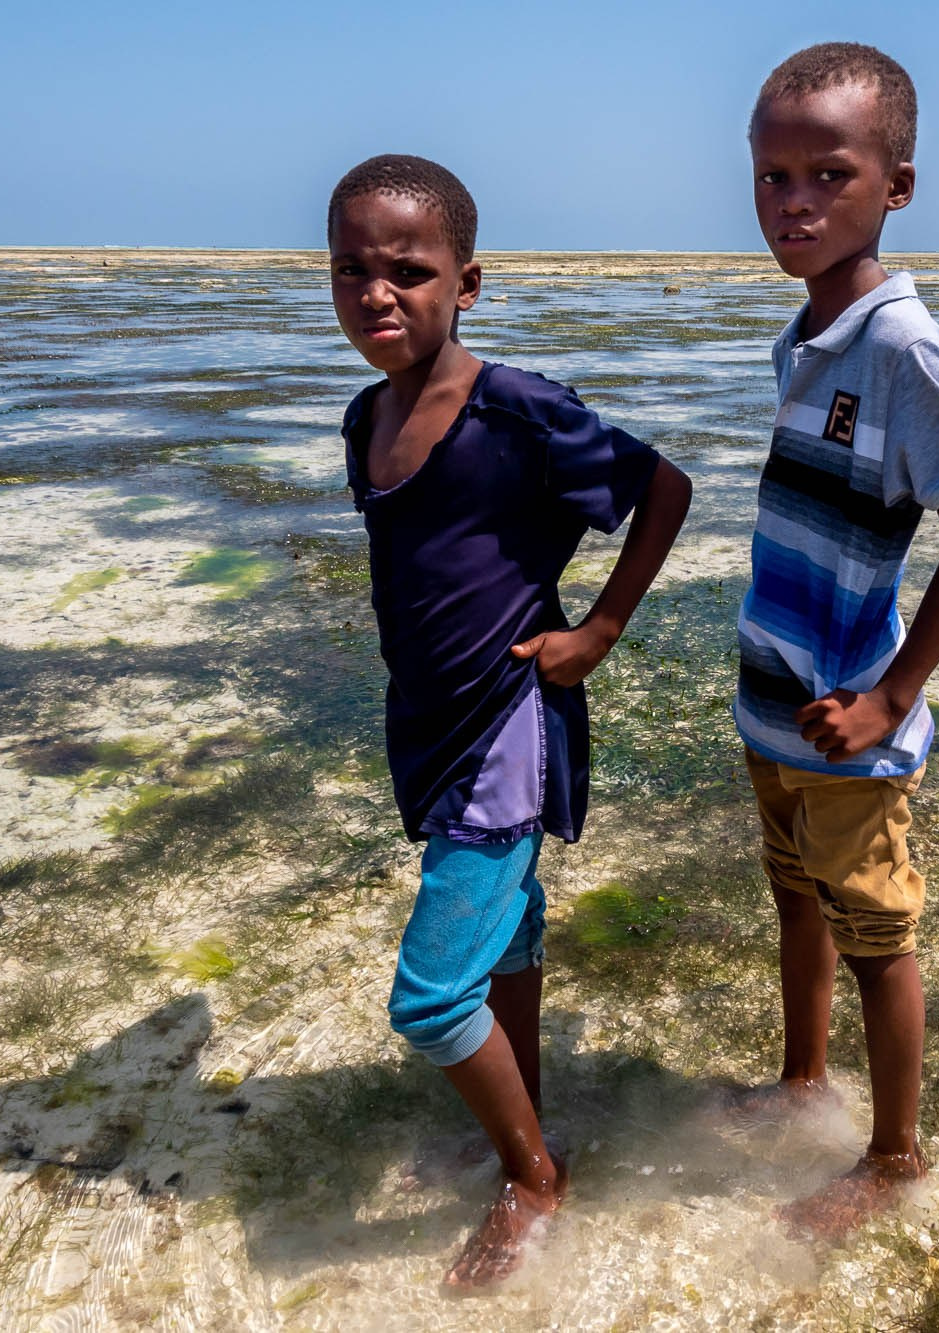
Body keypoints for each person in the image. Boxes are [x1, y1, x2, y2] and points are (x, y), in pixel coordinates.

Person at [330, 154, 692, 1286]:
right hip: (427, 726)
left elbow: (664, 488)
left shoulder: (520, 411)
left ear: (467, 284)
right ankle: (522, 1111)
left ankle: (535, 1177)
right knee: (509, 936)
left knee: (432, 999)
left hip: (504, 730)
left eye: (409, 271)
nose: (378, 294)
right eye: (351, 270)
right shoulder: (365, 417)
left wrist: (600, 628)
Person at [732, 44, 939, 1242]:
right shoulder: (807, 331)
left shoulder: (899, 347)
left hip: (849, 721)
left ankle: (893, 1158)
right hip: (773, 704)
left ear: (895, 186)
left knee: (877, 943)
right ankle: (801, 1080)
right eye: (772, 176)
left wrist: (890, 697)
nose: (793, 203)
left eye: (827, 175)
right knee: (794, 903)